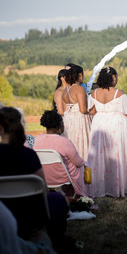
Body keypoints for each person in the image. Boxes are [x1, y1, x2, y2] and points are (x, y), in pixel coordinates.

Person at [0, 107, 69, 251]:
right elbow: (42, 188)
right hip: (30, 213)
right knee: (58, 200)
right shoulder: (28, 155)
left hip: (3, 212)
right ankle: (53, 242)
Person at [86, 67, 127, 198]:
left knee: (100, 155)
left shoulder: (94, 93)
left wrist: (102, 111)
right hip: (116, 124)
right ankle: (118, 185)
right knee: (117, 153)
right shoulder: (119, 94)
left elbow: (91, 111)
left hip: (99, 123)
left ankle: (100, 187)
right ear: (113, 78)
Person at [34, 110, 85, 196]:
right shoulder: (64, 141)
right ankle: (78, 195)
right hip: (63, 178)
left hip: (44, 177)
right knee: (81, 166)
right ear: (59, 126)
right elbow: (79, 162)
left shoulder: (37, 139)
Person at [62, 65, 91, 161]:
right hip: (79, 121)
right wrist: (93, 109)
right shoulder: (79, 89)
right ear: (80, 75)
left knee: (72, 143)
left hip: (68, 120)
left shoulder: (65, 89)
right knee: (81, 146)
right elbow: (83, 110)